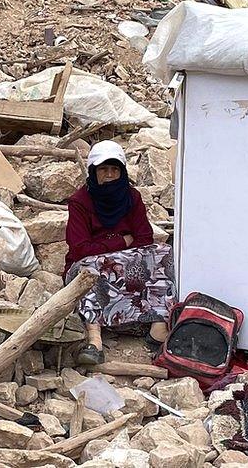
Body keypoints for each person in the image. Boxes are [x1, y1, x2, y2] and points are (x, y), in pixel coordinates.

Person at [64, 140, 175, 365]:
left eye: (115, 169)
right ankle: (95, 340)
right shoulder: (80, 202)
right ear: (93, 172)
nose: (110, 175)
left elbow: (145, 239)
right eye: (103, 169)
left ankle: (157, 327)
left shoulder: (131, 198)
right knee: (91, 266)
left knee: (163, 253)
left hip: (125, 264)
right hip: (87, 266)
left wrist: (109, 247)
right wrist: (120, 240)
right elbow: (80, 249)